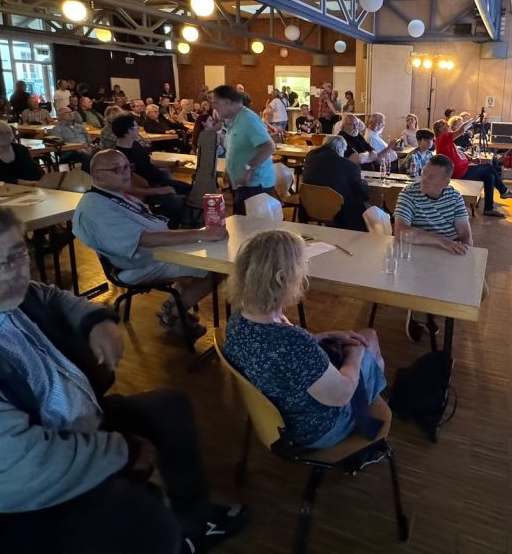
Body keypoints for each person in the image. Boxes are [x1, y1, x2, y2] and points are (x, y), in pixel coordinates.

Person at [0, 203, 247, 554]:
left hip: (59, 424)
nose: (9, 274)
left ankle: (193, 523)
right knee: (141, 521)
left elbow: (45, 294)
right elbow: (18, 473)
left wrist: (95, 320)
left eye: (17, 256)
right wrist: (124, 452)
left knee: (169, 407)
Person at [222, 230, 387, 449]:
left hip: (278, 420)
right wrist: (354, 353)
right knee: (369, 337)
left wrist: (323, 336)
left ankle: (372, 393)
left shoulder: (236, 322)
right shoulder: (293, 343)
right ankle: (369, 409)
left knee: (362, 340)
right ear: (282, 278)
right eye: (301, 267)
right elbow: (342, 393)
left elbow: (278, 355)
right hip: (315, 430)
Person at [74, 151, 225, 334]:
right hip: (136, 265)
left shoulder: (114, 194)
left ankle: (171, 308)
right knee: (216, 267)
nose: (126, 173)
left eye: (127, 167)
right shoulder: (95, 207)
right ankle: (174, 314)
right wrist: (201, 234)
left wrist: (198, 236)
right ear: (98, 175)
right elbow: (145, 239)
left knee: (204, 258)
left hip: (156, 253)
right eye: (117, 169)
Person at [394, 154, 473, 343]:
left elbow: (465, 233)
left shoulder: (454, 196)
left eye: (431, 177)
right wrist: (441, 241)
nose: (424, 179)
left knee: (479, 291)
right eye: (424, 173)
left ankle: (430, 309)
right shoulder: (409, 194)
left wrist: (467, 256)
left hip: (448, 252)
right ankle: (419, 314)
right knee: (430, 282)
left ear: (445, 182)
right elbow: (401, 232)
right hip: (419, 252)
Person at [211, 85, 276, 215]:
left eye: (216, 102)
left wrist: (247, 169)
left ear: (227, 102)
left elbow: (268, 146)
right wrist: (228, 169)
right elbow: (236, 148)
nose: (213, 106)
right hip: (243, 185)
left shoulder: (248, 119)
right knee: (240, 223)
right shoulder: (233, 120)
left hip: (255, 186)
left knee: (248, 226)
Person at [112, 115, 188, 224]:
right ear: (128, 130)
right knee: (178, 200)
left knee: (190, 189)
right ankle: (164, 224)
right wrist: (160, 190)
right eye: (136, 126)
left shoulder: (135, 144)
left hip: (159, 180)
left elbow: (151, 162)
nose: (139, 129)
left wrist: (176, 163)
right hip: (148, 188)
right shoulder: (119, 157)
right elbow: (128, 188)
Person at [433, 117, 511, 218]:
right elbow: (461, 130)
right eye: (447, 126)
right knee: (488, 166)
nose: (449, 127)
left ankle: (489, 208)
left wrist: (471, 159)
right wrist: (470, 121)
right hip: (459, 174)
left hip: (464, 169)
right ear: (441, 129)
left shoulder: (446, 140)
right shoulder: (442, 139)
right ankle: (504, 191)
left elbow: (458, 153)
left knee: (489, 176)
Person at [301, 136, 371, 231]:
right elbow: (362, 193)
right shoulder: (350, 167)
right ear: (340, 149)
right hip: (337, 213)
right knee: (360, 204)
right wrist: (363, 182)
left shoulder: (310, 156)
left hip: (310, 206)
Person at [0, 120, 43, 186]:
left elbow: (35, 171)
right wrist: (19, 182)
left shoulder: (21, 149)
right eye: (0, 133)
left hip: (28, 189)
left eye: (8, 133)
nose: (6, 136)